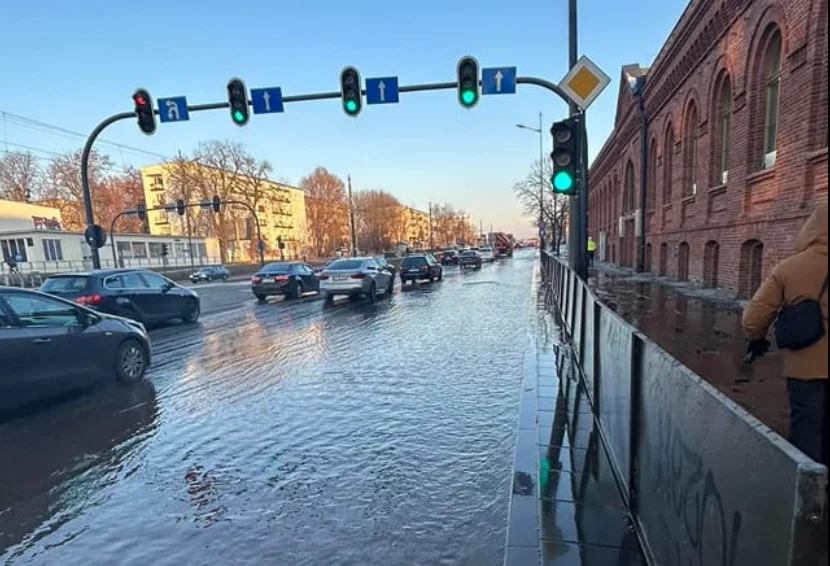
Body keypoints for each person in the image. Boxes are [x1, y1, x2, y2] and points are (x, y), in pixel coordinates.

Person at [742, 205, 828, 465]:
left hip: (804, 367)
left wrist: (757, 339)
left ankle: (809, 487)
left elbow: (753, 318)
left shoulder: (789, 268)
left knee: (806, 425)